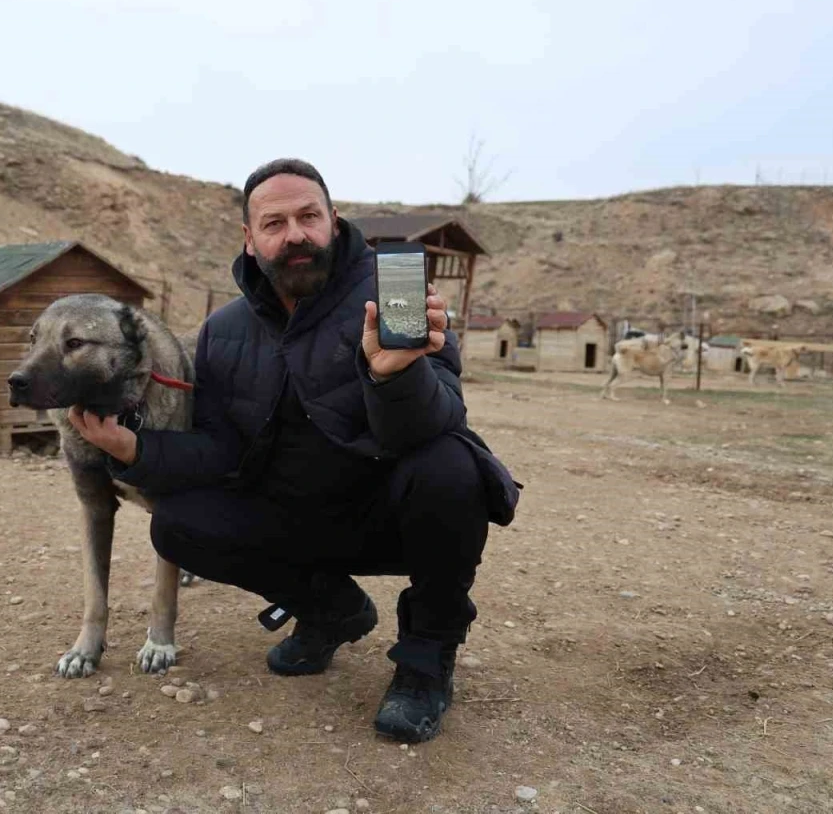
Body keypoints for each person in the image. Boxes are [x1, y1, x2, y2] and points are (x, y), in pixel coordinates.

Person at [69, 158, 520, 743]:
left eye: (309, 216)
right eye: (274, 223)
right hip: (294, 519)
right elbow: (219, 449)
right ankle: (333, 610)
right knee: (177, 525)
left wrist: (394, 374)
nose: (296, 234)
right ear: (251, 241)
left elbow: (435, 423)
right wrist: (135, 449)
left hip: (387, 515)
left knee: (451, 465)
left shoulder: (392, 306)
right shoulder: (224, 329)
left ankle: (425, 662)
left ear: (333, 221)